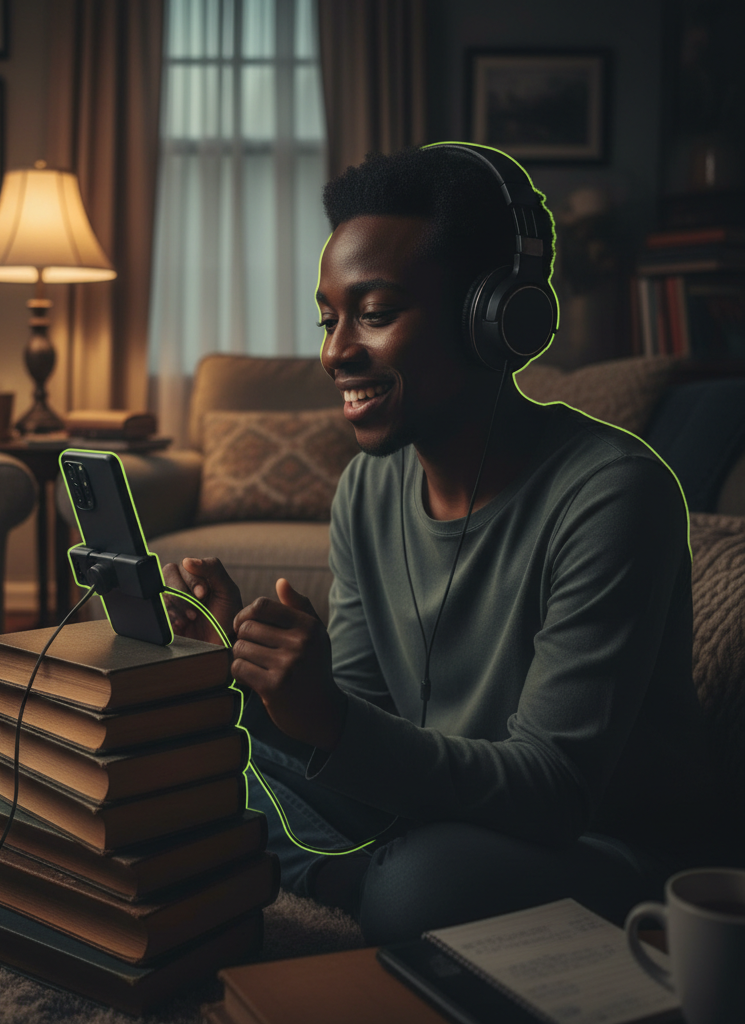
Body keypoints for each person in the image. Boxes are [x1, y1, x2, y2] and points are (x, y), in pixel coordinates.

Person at [161, 145, 722, 944]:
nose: (334, 352)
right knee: (168, 762)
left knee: (421, 885)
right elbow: (360, 716)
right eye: (329, 319)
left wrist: (332, 725)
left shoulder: (615, 493)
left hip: (598, 844)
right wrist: (253, 681)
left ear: (496, 317)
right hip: (430, 806)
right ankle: (352, 872)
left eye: (375, 313)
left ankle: (343, 875)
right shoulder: (366, 487)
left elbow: (555, 788)